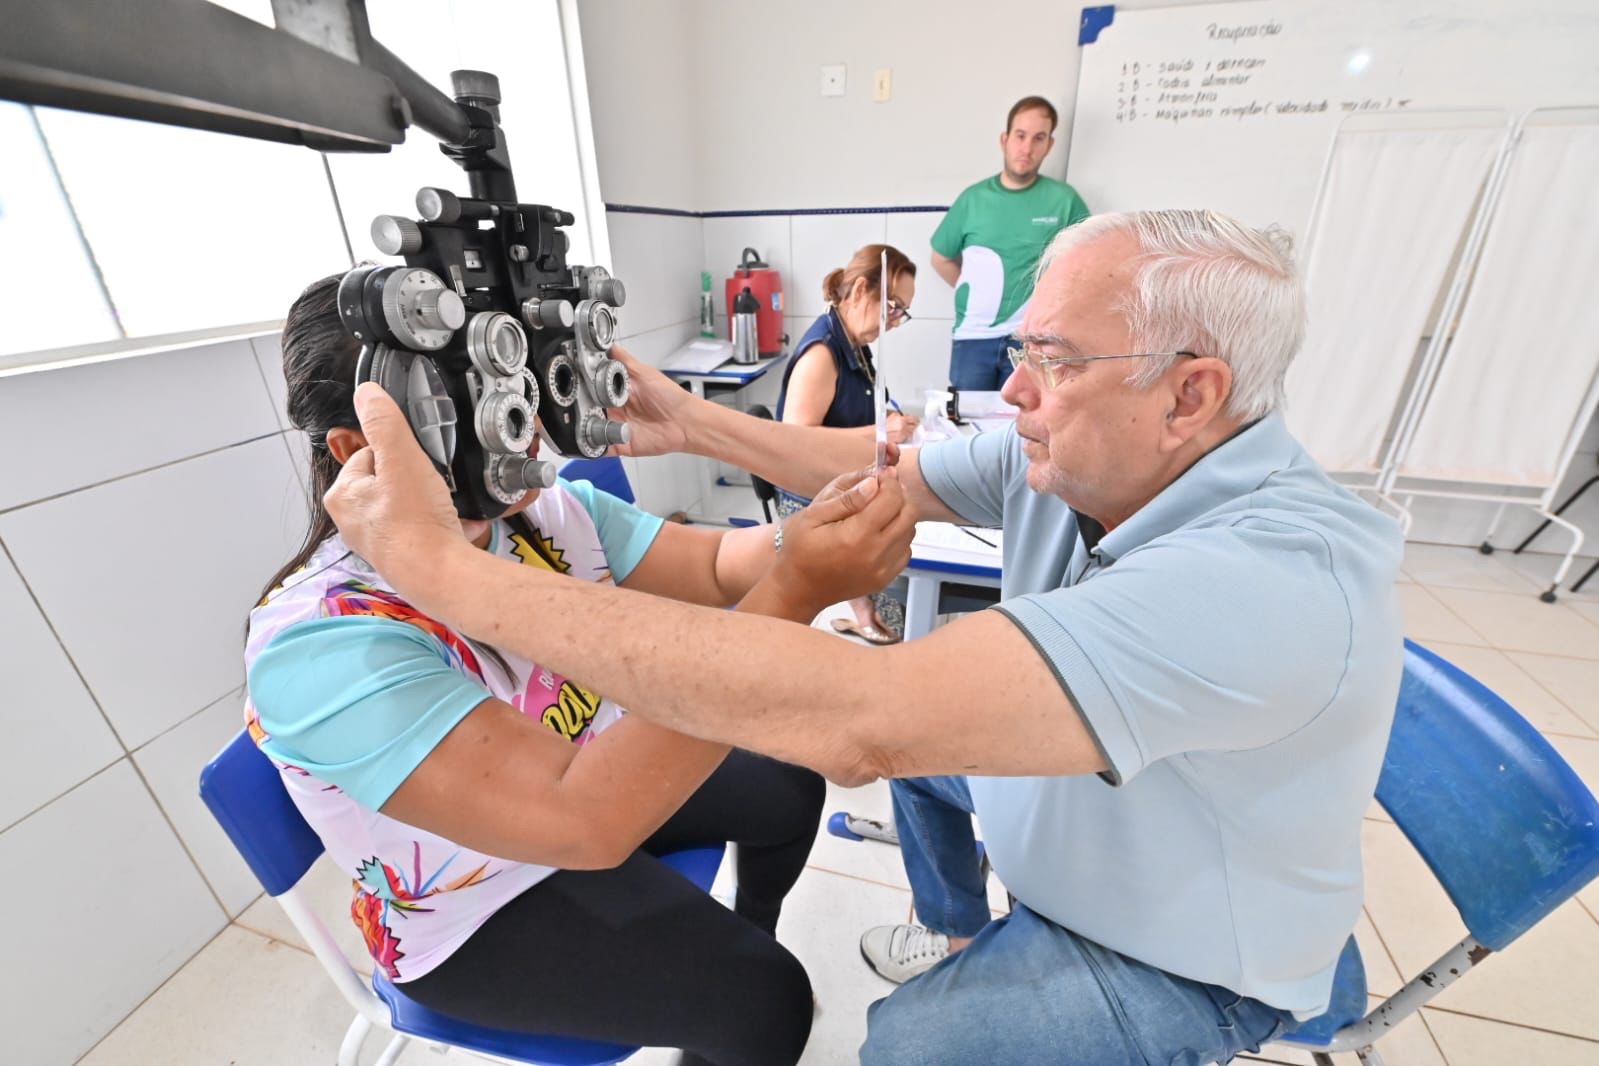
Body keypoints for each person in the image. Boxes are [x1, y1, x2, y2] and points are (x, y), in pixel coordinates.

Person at [322, 209, 1405, 1065]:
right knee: (920, 776)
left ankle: (993, 968)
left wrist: (446, 570)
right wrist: (692, 422)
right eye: (1020, 346)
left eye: (1054, 359)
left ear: (1191, 394)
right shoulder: (1079, 457)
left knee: (911, 1045)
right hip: (494, 885)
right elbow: (877, 478)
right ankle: (961, 928)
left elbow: (853, 722)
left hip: (1180, 945)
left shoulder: (1265, 582)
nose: (1012, 390)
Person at [242, 274, 919, 1066]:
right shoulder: (326, 644)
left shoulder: (534, 514)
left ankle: (736, 935)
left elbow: (712, 564)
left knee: (787, 783)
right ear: (359, 450)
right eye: (467, 408)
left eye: (514, 384)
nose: (523, 434)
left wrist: (808, 535)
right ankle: (721, 1005)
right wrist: (800, 585)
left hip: (584, 782)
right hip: (479, 901)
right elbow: (583, 821)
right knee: (765, 999)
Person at [776, 242, 918, 644]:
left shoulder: (855, 346)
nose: (894, 320)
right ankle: (872, 612)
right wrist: (879, 434)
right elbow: (795, 442)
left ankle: (868, 609)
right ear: (859, 292)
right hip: (809, 496)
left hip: (843, 481)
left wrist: (888, 421)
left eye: (901, 312)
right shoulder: (822, 353)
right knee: (899, 575)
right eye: (892, 306)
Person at [931, 95, 1090, 392]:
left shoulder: (1065, 201)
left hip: (1033, 341)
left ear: (1049, 145)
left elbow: (1088, 263)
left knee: (1025, 429)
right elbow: (940, 257)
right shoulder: (973, 199)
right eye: (1020, 136)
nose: (1027, 148)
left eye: (1038, 138)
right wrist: (980, 290)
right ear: (1004, 139)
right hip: (973, 338)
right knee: (965, 423)